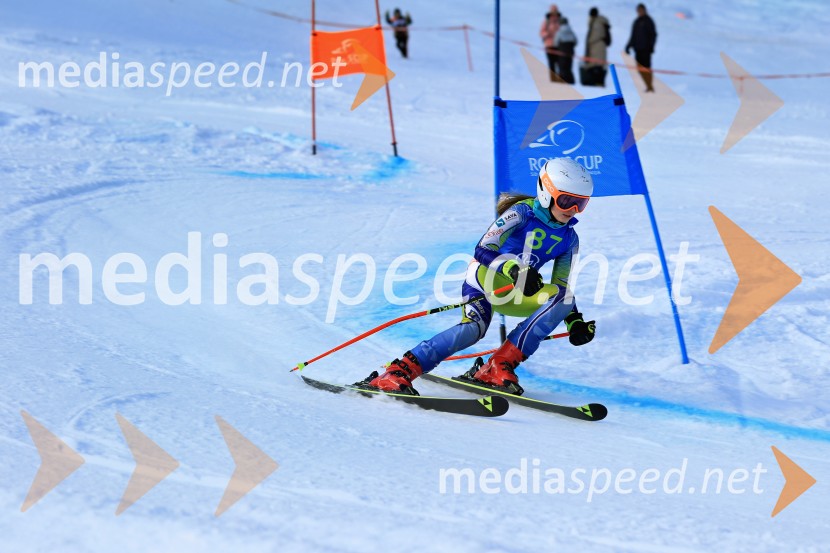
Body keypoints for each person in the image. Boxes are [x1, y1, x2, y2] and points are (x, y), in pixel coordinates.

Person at [361, 157, 597, 396]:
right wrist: (514, 270)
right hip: (486, 280)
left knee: (563, 297)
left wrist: (574, 321)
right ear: (546, 192)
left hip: (519, 292)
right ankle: (399, 371)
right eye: (567, 201)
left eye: (581, 203)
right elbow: (483, 249)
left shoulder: (570, 239)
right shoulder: (521, 213)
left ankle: (498, 365)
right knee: (473, 329)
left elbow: (561, 286)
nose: (573, 210)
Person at [625, 3, 658, 92]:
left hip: (646, 50)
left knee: (646, 68)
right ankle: (648, 85)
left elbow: (653, 35)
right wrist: (628, 46)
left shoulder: (648, 21)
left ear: (644, 10)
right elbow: (633, 36)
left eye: (641, 10)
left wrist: (651, 46)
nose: (640, 12)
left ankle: (650, 86)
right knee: (639, 69)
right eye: (638, 11)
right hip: (638, 50)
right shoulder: (636, 22)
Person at [583, 7, 611, 87]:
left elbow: (596, 35)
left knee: (598, 67)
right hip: (594, 48)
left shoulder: (597, 23)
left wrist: (590, 42)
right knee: (594, 66)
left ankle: (598, 83)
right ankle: (595, 83)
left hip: (598, 47)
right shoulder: (595, 22)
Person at [539, 5, 561, 82]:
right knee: (551, 63)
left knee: (559, 63)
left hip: (558, 45)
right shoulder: (547, 21)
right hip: (549, 45)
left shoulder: (560, 21)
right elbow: (541, 32)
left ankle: (560, 79)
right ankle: (553, 80)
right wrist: (547, 34)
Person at [554, 16, 578, 84]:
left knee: (562, 67)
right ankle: (571, 81)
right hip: (570, 52)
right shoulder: (571, 31)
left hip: (562, 52)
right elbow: (576, 41)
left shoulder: (559, 31)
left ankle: (562, 81)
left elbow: (556, 42)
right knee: (569, 67)